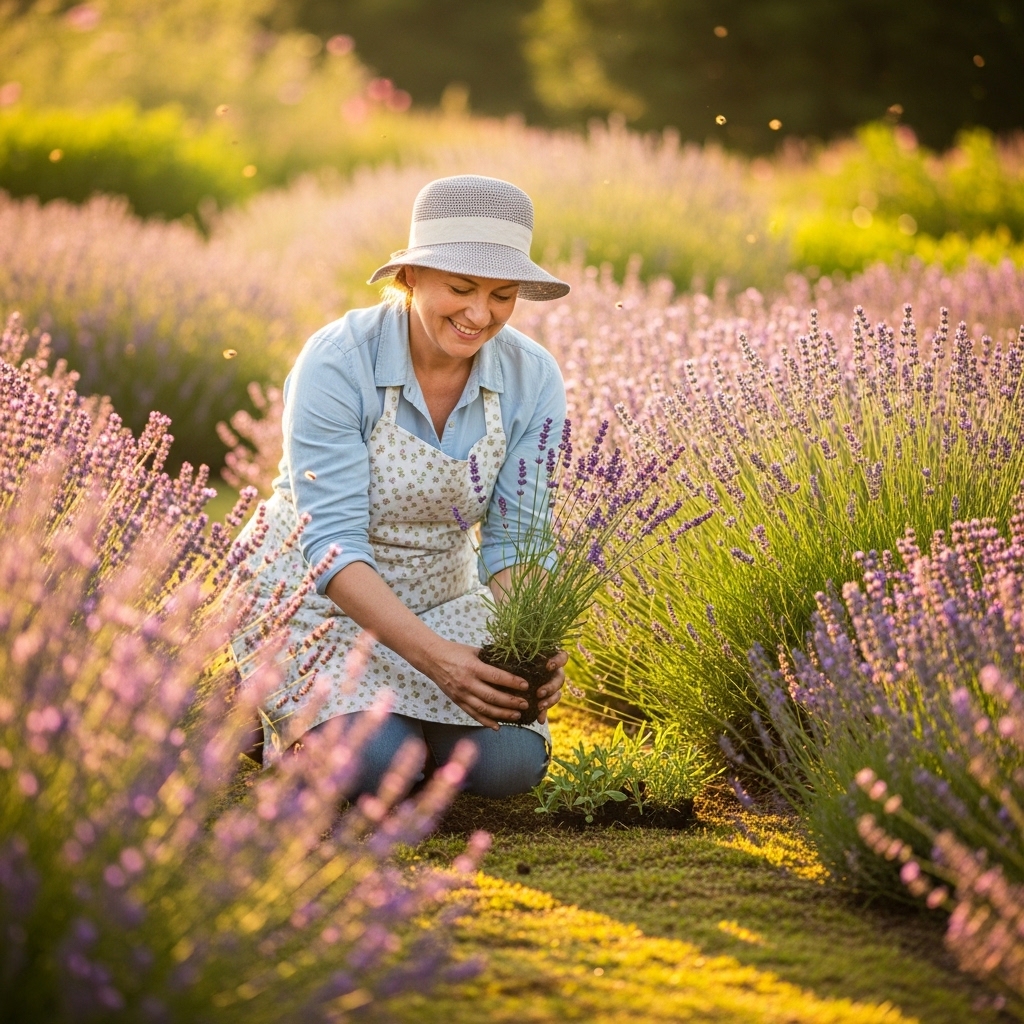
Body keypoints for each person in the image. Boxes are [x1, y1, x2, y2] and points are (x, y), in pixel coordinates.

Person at [231, 174, 571, 798]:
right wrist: (438, 659)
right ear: (410, 277)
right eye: (461, 288)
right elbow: (330, 542)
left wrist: (536, 640)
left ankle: (388, 727)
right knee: (377, 765)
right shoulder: (339, 360)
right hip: (319, 601)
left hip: (442, 594)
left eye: (502, 295)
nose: (479, 314)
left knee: (509, 767)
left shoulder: (532, 377)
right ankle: (262, 704)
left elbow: (516, 536)